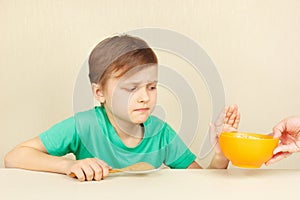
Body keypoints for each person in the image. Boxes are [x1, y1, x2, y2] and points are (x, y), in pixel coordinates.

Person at [4, 34, 240, 181]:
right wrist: (69, 165)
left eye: (151, 87)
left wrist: (221, 155)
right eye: (131, 89)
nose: (144, 98)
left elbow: (202, 183)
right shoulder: (84, 126)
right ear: (100, 93)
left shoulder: (162, 134)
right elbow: (14, 157)